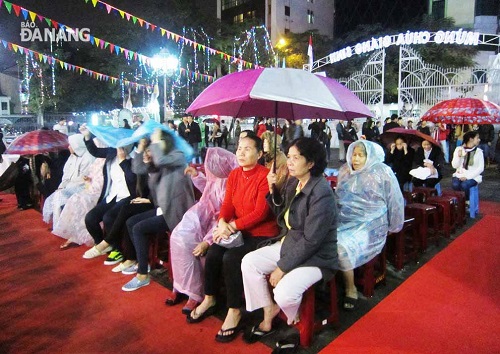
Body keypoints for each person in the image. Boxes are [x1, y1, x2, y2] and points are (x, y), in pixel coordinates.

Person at [241, 137, 337, 351]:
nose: (290, 162)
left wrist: (283, 267)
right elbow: (281, 215)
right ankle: (270, 310)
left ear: (311, 163)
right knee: (249, 262)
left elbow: (312, 240)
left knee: (284, 291)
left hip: (317, 256)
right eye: (289, 157)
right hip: (290, 244)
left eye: (295, 158)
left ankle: (295, 321)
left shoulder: (321, 193)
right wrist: (273, 188)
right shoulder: (294, 182)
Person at [186, 134, 279, 343]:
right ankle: (209, 298)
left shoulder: (265, 176)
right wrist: (221, 223)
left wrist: (231, 226)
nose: (241, 152)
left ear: (260, 154)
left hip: (261, 233)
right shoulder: (235, 175)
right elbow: (227, 204)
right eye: (239, 148)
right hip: (238, 231)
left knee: (231, 258)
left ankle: (234, 310)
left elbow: (260, 213)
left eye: (248, 149)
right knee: (214, 252)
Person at [121, 129, 195, 291]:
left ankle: (142, 274)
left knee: (138, 228)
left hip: (176, 212)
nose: (153, 147)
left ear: (166, 142)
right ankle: (143, 263)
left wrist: (153, 143)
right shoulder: (159, 162)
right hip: (162, 209)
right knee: (131, 222)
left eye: (157, 141)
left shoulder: (177, 156)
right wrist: (141, 148)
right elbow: (138, 169)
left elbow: (161, 160)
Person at [168, 148, 239, 314]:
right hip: (202, 214)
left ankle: (195, 292)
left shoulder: (233, 181)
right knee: (177, 237)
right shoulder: (218, 178)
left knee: (192, 246)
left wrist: (207, 241)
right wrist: (196, 176)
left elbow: (226, 217)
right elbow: (208, 188)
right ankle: (180, 285)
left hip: (217, 224)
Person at [336, 140, 404, 310]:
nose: (356, 159)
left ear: (370, 156)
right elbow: (338, 198)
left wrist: (394, 226)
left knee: (342, 248)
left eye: (361, 155)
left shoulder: (382, 172)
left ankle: (350, 288)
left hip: (371, 224)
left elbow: (395, 200)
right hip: (346, 221)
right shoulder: (345, 171)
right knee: (322, 240)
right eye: (354, 154)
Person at [80, 123, 137, 262]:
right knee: (90, 218)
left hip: (128, 196)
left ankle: (117, 250)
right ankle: (104, 244)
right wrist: (87, 136)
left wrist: (124, 160)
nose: (120, 145)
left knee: (109, 218)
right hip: (111, 195)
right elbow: (95, 151)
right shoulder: (112, 152)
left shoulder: (135, 158)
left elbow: (133, 181)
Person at [52, 155, 106, 249]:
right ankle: (76, 235)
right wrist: (88, 179)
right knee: (74, 199)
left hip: (99, 191)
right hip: (89, 188)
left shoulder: (105, 160)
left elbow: (103, 182)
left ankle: (84, 235)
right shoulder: (97, 160)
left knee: (80, 200)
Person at [42, 134, 95, 227]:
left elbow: (84, 178)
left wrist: (66, 188)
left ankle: (66, 225)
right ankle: (60, 224)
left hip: (83, 186)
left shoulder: (88, 157)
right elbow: (66, 174)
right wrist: (62, 186)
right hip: (70, 185)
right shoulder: (72, 157)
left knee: (60, 195)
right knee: (56, 194)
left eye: (71, 145)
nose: (69, 147)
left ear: (77, 145)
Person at [451, 130, 484, 201]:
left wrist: (467, 177)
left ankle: (466, 202)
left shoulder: (479, 152)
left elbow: (481, 168)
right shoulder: (459, 149)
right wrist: (458, 157)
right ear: (471, 139)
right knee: (455, 185)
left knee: (464, 185)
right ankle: (460, 202)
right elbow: (454, 166)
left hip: (473, 176)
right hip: (459, 174)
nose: (479, 140)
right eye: (477, 138)